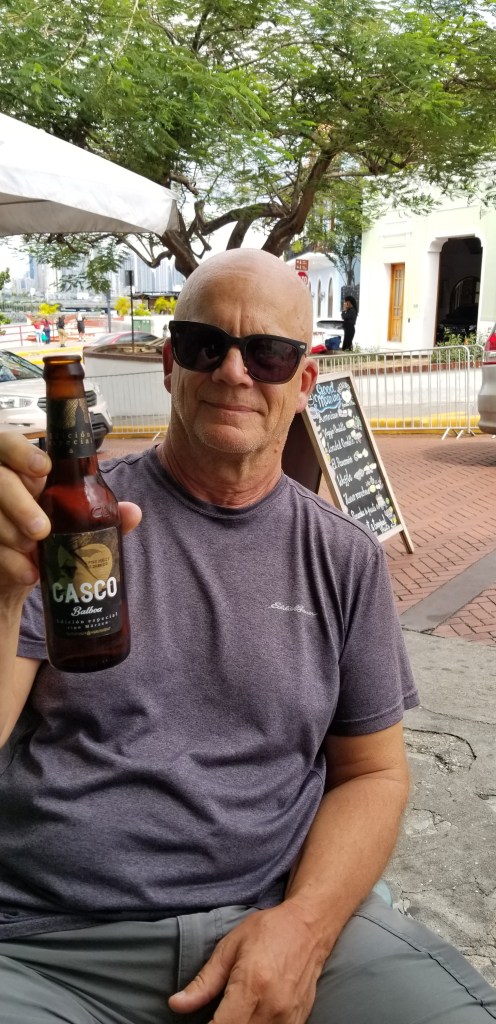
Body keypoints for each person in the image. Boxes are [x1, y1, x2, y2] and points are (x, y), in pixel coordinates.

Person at [0, 249, 494, 1024]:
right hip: (54, 947)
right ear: (171, 365)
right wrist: (4, 598)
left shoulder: (343, 556)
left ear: (305, 381)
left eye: (267, 353)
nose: (234, 372)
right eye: (206, 345)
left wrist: (306, 926)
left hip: (276, 913)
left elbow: (373, 774)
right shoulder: (61, 530)